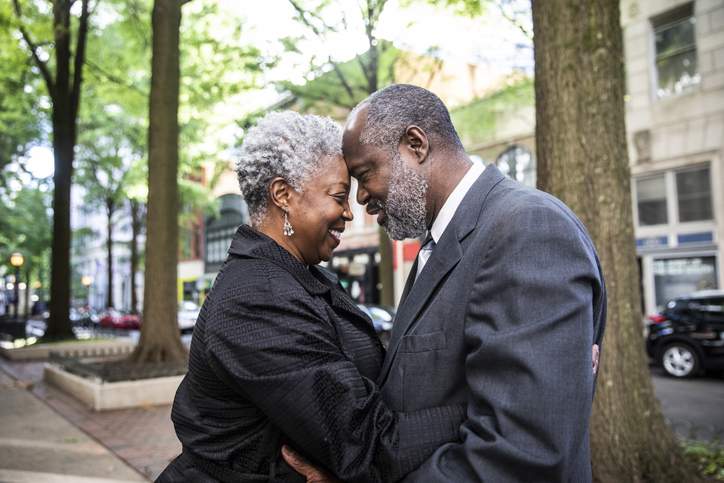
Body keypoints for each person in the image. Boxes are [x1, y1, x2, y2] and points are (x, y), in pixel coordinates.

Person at [285, 84, 607, 482]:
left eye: (366, 175)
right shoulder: (437, 245)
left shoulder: (527, 228)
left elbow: (524, 454)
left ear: (415, 144)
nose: (362, 199)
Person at [156, 111, 466, 483]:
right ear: (283, 195)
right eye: (338, 196)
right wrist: (488, 409)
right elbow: (365, 442)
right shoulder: (256, 299)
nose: (349, 212)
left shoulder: (301, 276)